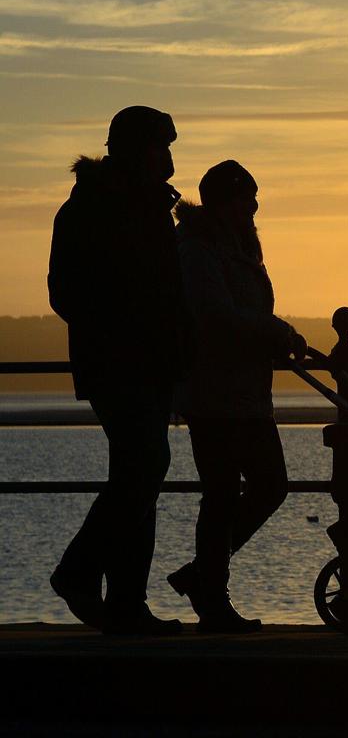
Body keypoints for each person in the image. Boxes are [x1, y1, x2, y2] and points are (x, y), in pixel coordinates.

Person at [48, 105, 185, 635]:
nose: (169, 157)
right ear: (133, 150)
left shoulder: (148, 207)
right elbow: (67, 292)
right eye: (161, 145)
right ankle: (79, 573)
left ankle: (127, 603)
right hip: (117, 361)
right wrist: (125, 326)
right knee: (143, 466)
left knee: (142, 474)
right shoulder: (93, 208)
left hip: (149, 362)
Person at [167, 160, 305, 633]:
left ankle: (201, 577)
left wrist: (272, 336)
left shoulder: (239, 245)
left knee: (268, 486)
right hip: (212, 390)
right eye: (246, 198)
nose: (254, 206)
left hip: (245, 388)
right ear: (224, 202)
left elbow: (242, 312)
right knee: (223, 492)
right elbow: (215, 315)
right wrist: (276, 330)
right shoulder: (198, 248)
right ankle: (211, 594)